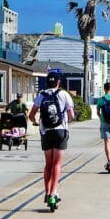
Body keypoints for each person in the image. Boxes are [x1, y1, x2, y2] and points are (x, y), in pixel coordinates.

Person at [29, 73, 76, 211]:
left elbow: (31, 115)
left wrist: (37, 122)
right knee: (57, 164)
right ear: (58, 82)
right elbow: (71, 115)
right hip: (60, 131)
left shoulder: (41, 95)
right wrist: (68, 121)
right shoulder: (64, 94)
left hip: (46, 132)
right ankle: (53, 193)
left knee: (48, 164)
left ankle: (47, 191)